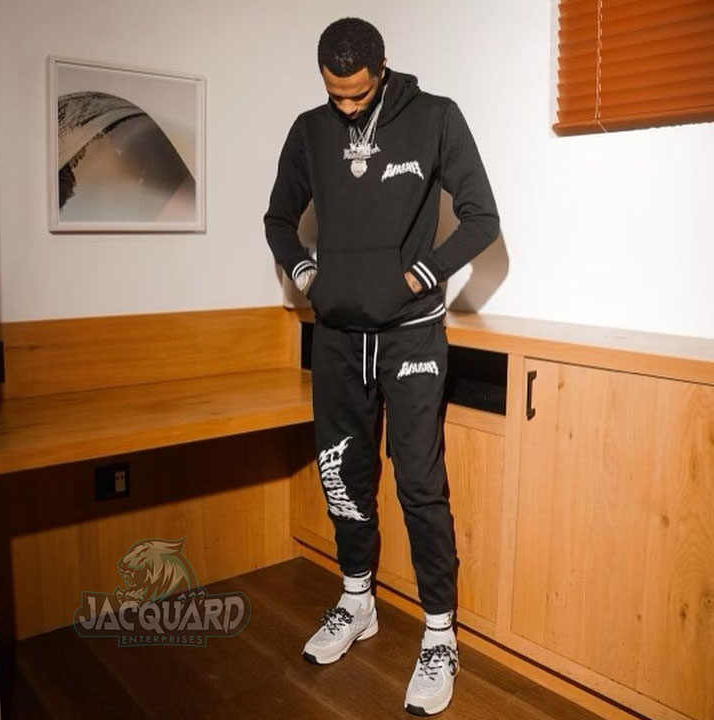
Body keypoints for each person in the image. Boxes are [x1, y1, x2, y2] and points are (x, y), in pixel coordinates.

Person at [263, 16, 500, 716]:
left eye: (358, 94)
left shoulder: (435, 118)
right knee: (343, 475)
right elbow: (279, 220)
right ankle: (357, 599)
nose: (346, 106)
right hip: (337, 335)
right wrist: (307, 274)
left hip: (411, 335)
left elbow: (482, 220)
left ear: (382, 68)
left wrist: (419, 276)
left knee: (420, 483)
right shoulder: (309, 131)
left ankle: (439, 634)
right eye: (334, 94)